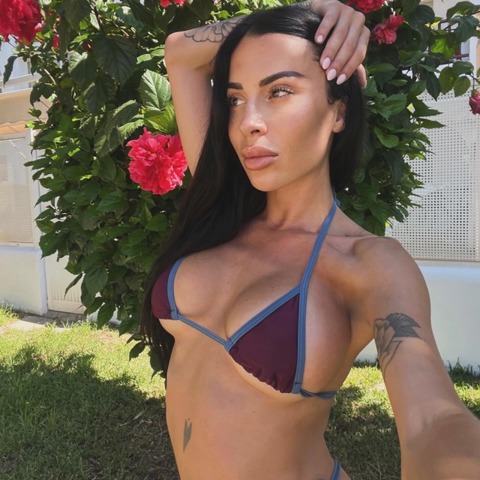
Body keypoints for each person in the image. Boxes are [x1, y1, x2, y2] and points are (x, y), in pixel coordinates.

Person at [141, 1, 480, 478]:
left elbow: (433, 419)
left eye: (279, 91)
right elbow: (180, 52)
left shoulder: (369, 264)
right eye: (235, 99)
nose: (248, 122)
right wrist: (306, 12)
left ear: (338, 111)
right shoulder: (224, 204)